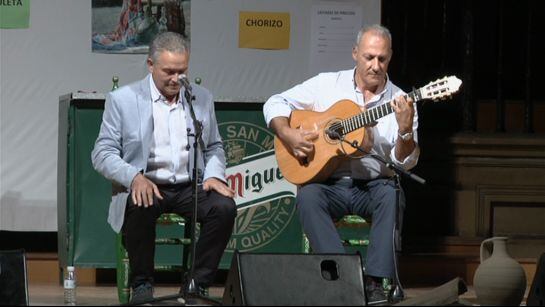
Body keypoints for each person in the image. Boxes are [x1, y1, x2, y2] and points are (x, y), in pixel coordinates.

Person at [263, 24, 419, 304]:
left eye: (382, 59)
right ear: (355, 53)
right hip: (329, 184)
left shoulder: (402, 102)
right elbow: (275, 102)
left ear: (390, 58)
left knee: (393, 195)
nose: (375, 65)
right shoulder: (326, 84)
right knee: (308, 196)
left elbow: (402, 163)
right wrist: (288, 133)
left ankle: (373, 282)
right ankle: (344, 277)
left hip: (373, 186)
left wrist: (405, 131)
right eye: (369, 57)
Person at [92, 31, 237, 304]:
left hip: (189, 185)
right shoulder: (123, 100)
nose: (176, 79)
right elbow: (101, 153)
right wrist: (133, 177)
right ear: (150, 65)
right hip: (147, 183)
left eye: (182, 71)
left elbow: (215, 146)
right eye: (169, 71)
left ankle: (196, 284)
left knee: (224, 207)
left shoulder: (201, 98)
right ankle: (142, 285)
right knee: (140, 203)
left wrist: (214, 175)